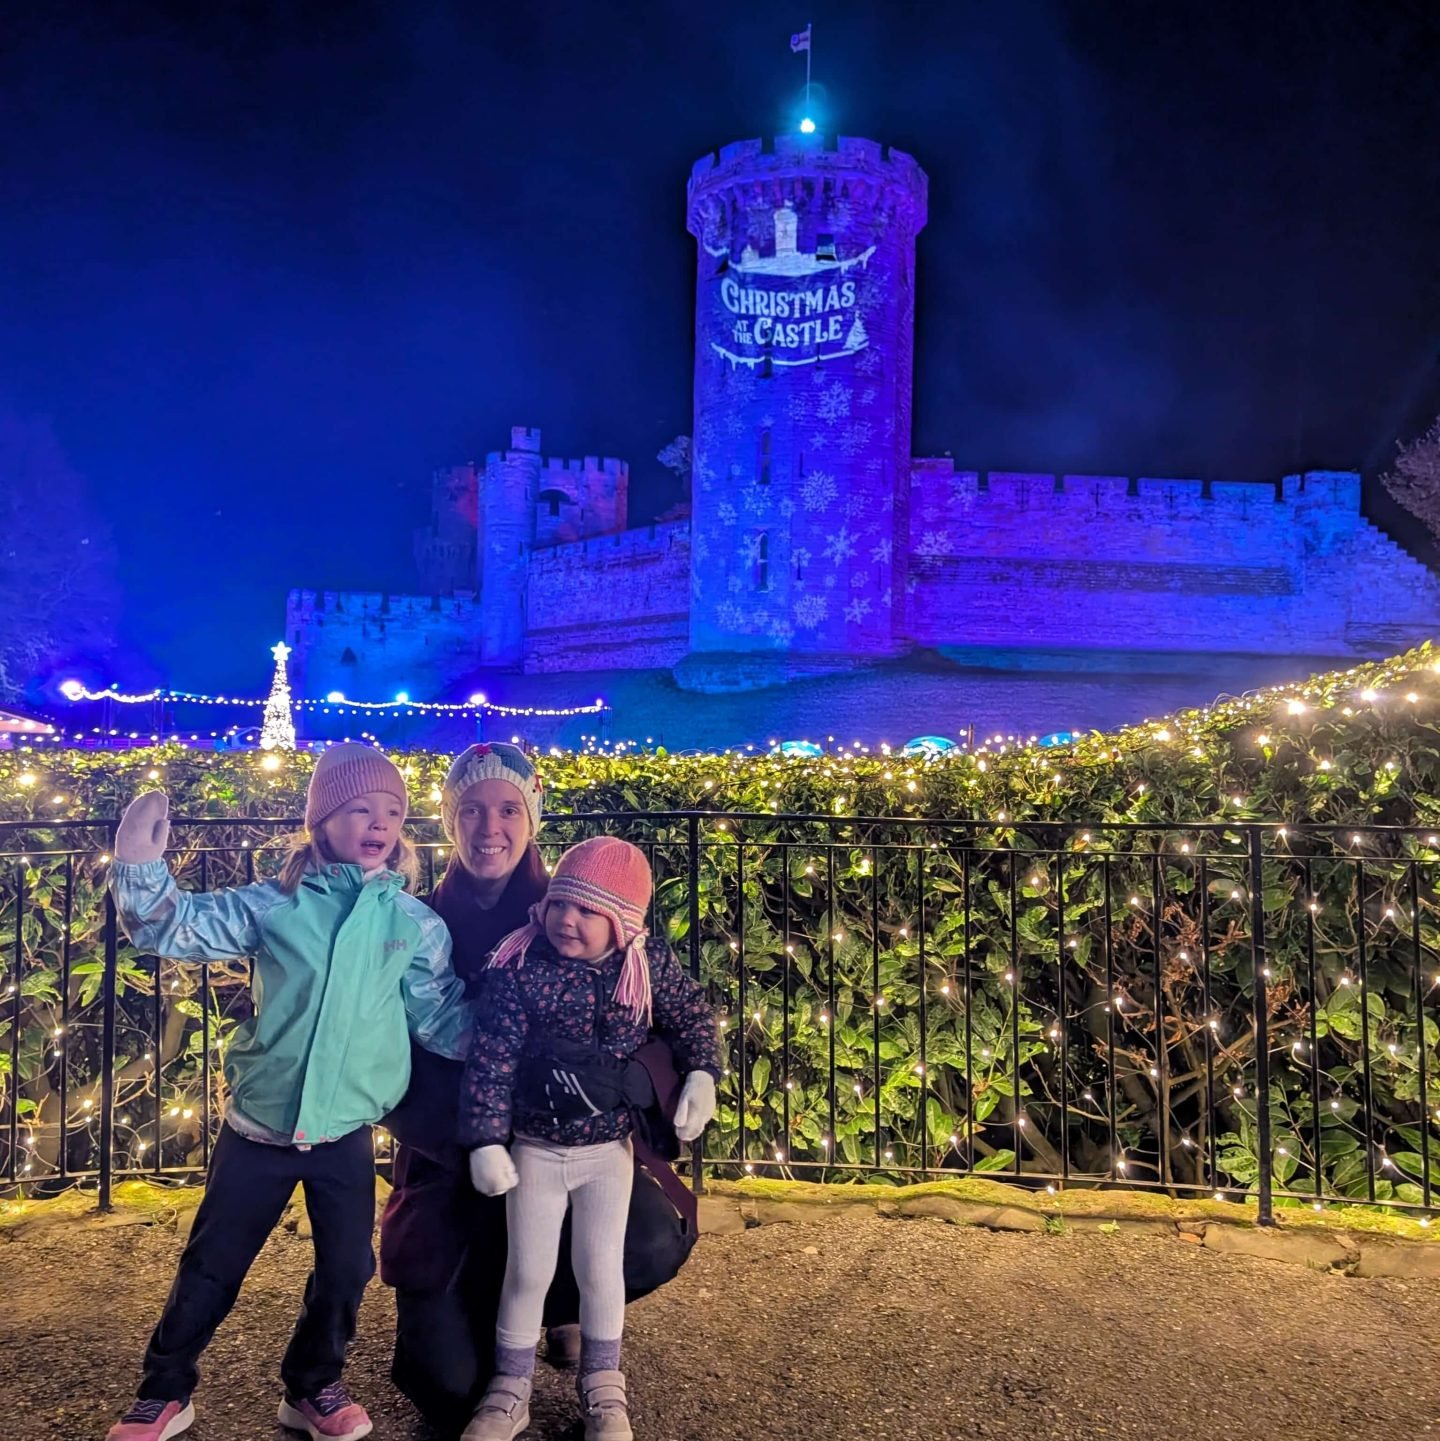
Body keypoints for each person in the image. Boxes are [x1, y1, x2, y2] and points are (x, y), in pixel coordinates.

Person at [103, 744, 472, 1441]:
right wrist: (139, 865)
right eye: (360, 807)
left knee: (346, 1268)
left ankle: (313, 1385)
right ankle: (165, 1389)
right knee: (213, 1263)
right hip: (259, 1128)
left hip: (345, 1134)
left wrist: (521, 1030)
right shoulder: (272, 905)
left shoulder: (414, 924)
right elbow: (173, 925)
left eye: (391, 810)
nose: (379, 822)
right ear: (323, 818)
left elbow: (443, 1014)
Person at [380, 745, 702, 1437]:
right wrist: (472, 1140)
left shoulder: (581, 906)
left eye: (506, 809)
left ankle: (565, 1307)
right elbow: (383, 1056)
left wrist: (626, 1080)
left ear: (531, 820)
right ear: (447, 819)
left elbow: (651, 1006)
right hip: (451, 1162)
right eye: (468, 809)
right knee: (444, 1384)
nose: (487, 827)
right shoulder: (407, 924)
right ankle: (496, 1331)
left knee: (644, 1239)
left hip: (571, 1142)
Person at [458, 835, 722, 1441]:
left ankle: (603, 1383)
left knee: (601, 1270)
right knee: (528, 1271)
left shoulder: (645, 965)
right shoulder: (520, 966)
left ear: (623, 923)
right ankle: (511, 1386)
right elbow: (492, 1060)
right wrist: (486, 1140)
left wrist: (703, 1073)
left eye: (587, 911)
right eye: (559, 904)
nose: (565, 920)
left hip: (608, 1152)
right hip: (537, 1151)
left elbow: (690, 1018)